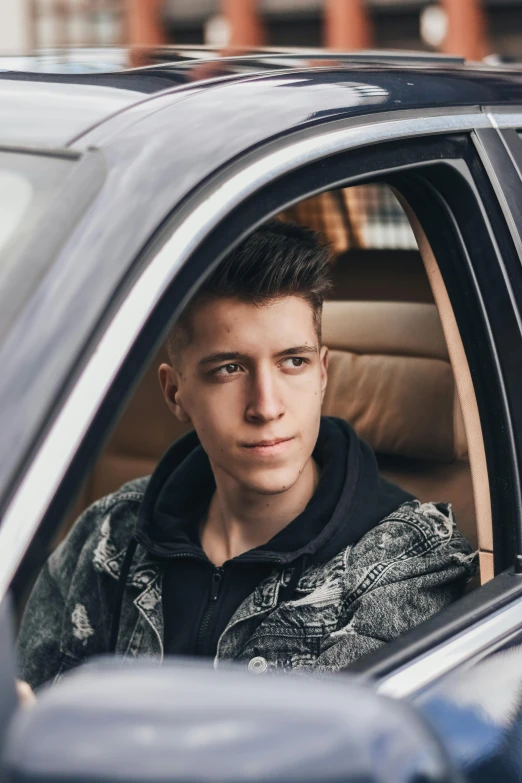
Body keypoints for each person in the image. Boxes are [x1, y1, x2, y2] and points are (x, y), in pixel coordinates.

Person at [17, 219, 476, 690]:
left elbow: (306, 757)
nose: (267, 407)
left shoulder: (410, 565)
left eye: (292, 362)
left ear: (322, 374)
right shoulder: (109, 536)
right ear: (175, 392)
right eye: (230, 369)